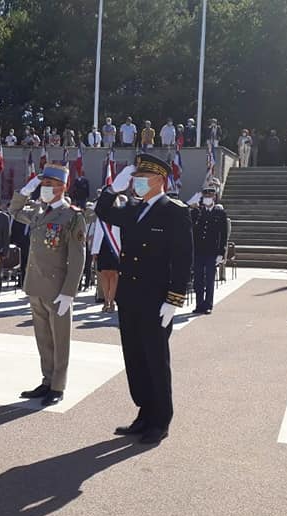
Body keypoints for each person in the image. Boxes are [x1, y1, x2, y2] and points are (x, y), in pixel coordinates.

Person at [95, 155, 193, 445]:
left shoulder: (174, 211)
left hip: (156, 300)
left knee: (155, 360)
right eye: (134, 178)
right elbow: (103, 211)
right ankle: (144, 413)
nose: (136, 183)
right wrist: (113, 188)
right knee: (135, 358)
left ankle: (160, 420)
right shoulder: (133, 209)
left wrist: (174, 299)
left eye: (142, 178)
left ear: (159, 181)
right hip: (130, 297)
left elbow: (183, 258)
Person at [10, 164, 86, 407]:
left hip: (57, 289)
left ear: (62, 188)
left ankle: (58, 385)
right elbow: (14, 210)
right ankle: (47, 380)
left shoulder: (72, 216)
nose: (44, 189)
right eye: (43, 185)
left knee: (60, 339)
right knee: (43, 337)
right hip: (35, 285)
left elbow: (77, 257)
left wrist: (69, 292)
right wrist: (25, 189)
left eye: (50, 185)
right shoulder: (38, 212)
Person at [190, 185, 227, 314]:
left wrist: (221, 252)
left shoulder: (220, 213)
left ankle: (208, 305)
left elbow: (223, 234)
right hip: (199, 251)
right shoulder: (198, 212)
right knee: (198, 280)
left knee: (210, 279)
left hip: (212, 252)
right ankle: (199, 304)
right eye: (205, 196)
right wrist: (193, 210)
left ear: (214, 197)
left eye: (209, 196)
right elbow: (191, 228)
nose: (207, 198)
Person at [91, 195, 123, 312]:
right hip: (103, 246)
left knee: (114, 275)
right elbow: (97, 233)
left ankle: (112, 301)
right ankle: (106, 301)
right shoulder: (101, 216)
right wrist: (95, 251)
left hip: (115, 247)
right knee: (104, 274)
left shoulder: (120, 215)